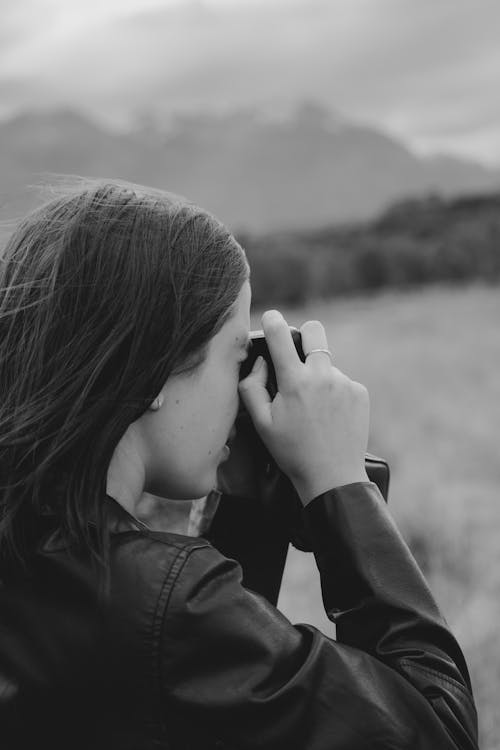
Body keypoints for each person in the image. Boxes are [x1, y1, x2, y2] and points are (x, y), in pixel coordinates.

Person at [0, 180, 478, 749]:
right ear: (154, 372)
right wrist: (340, 484)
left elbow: (201, 704)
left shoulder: (46, 560)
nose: (244, 391)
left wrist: (251, 512)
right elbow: (438, 731)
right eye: (234, 357)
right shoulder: (155, 604)